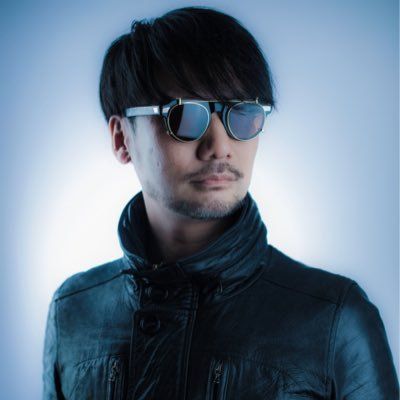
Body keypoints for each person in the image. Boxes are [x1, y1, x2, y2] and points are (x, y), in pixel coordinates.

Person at [42, 6, 399, 400]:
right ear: (121, 138)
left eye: (241, 114)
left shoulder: (335, 320)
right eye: (183, 116)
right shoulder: (73, 312)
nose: (220, 147)